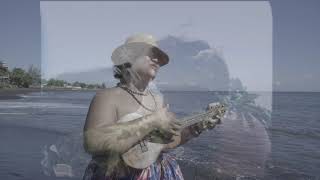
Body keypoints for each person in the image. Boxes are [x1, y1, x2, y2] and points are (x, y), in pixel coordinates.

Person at [82, 33, 216, 180]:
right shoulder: (108, 96)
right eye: (150, 54)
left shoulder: (159, 101)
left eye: (158, 57)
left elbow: (165, 144)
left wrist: (197, 127)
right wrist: (152, 120)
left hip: (159, 173)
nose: (156, 60)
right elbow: (93, 142)